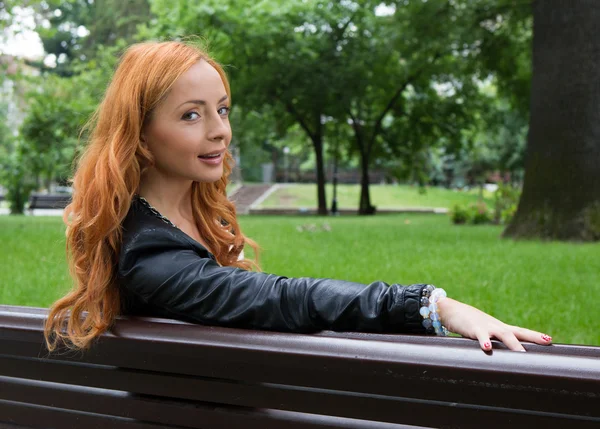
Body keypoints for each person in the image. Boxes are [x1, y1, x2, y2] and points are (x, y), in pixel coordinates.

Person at [44, 40, 553, 353]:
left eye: (222, 109)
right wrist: (431, 306)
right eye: (191, 115)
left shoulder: (171, 227)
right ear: (140, 137)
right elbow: (285, 298)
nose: (220, 131)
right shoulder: (150, 253)